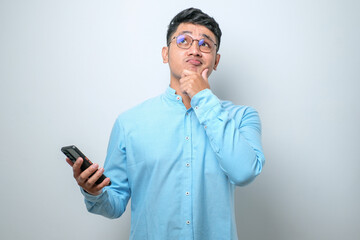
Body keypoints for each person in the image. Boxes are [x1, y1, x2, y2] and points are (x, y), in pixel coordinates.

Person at [66, 7, 265, 240]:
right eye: (184, 40)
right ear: (165, 53)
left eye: (205, 44)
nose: (195, 50)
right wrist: (94, 192)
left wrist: (203, 98)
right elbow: (114, 204)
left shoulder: (243, 117)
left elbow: (243, 172)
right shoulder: (129, 123)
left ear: (216, 60)